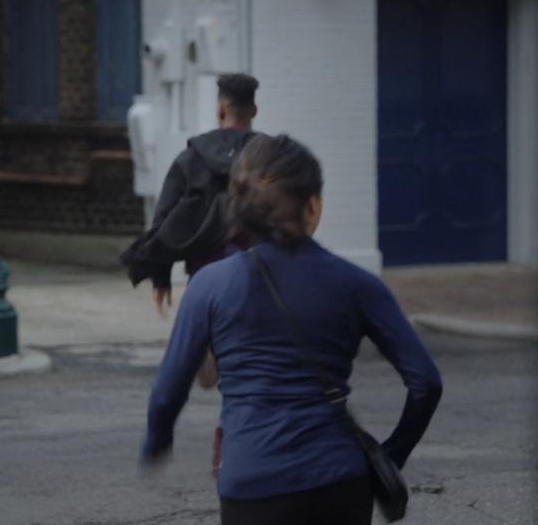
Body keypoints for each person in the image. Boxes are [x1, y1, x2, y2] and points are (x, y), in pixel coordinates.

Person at [140, 134, 443, 524]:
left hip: (251, 481)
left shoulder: (209, 285)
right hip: (339, 481)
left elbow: (167, 392)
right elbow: (426, 382)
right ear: (312, 206)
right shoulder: (357, 285)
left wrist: (157, 441)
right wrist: (390, 455)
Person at [121, 73, 260, 391]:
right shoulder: (270, 156)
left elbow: (165, 215)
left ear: (220, 110)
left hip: (206, 270)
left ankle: (210, 343)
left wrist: (160, 274)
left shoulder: (192, 156)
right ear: (254, 111)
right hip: (256, 267)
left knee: (210, 331)